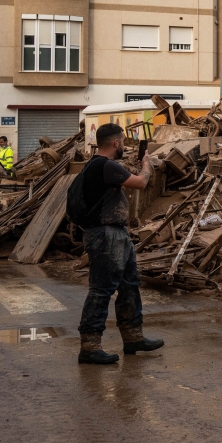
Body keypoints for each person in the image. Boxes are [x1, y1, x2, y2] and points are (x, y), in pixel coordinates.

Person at [76, 122, 164, 365]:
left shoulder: (98, 166)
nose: (124, 146)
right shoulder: (105, 165)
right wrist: (146, 164)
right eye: (123, 142)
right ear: (115, 142)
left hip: (116, 233)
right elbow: (141, 182)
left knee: (129, 285)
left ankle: (133, 337)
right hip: (105, 235)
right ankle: (90, 346)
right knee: (101, 289)